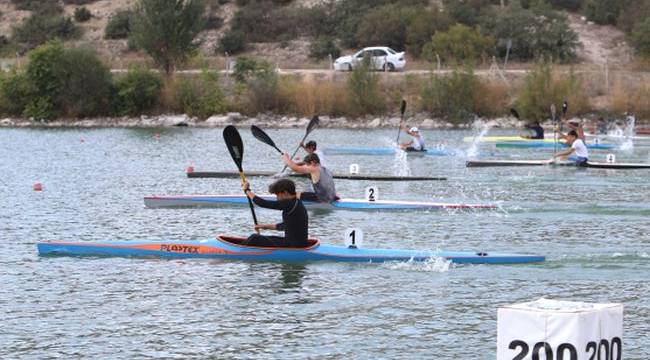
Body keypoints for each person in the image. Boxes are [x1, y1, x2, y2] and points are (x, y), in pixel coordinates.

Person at [242, 178, 309, 248]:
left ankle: (238, 250)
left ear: (285, 193)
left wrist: (247, 190)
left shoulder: (289, 203)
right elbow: (285, 225)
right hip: (298, 243)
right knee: (259, 237)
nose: (277, 198)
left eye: (277, 195)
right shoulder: (297, 203)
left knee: (254, 238)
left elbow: (263, 203)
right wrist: (264, 226)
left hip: (293, 245)